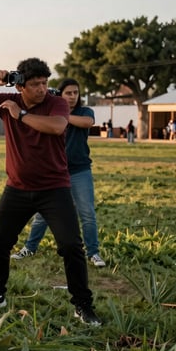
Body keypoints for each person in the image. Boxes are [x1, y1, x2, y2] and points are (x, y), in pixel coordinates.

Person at [0, 58, 101, 326]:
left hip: (54, 189)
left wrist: (20, 115)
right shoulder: (7, 99)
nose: (42, 89)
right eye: (35, 84)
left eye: (45, 83)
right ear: (21, 85)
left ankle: (82, 304)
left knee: (71, 245)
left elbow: (58, 126)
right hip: (17, 189)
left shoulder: (55, 102)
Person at [11, 79, 105, 268]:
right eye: (68, 93)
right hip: (54, 172)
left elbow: (88, 123)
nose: (72, 96)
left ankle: (93, 253)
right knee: (43, 215)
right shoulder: (50, 112)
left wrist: (62, 116)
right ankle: (30, 247)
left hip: (79, 170)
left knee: (87, 213)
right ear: (60, 94)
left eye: (75, 93)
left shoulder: (84, 112)